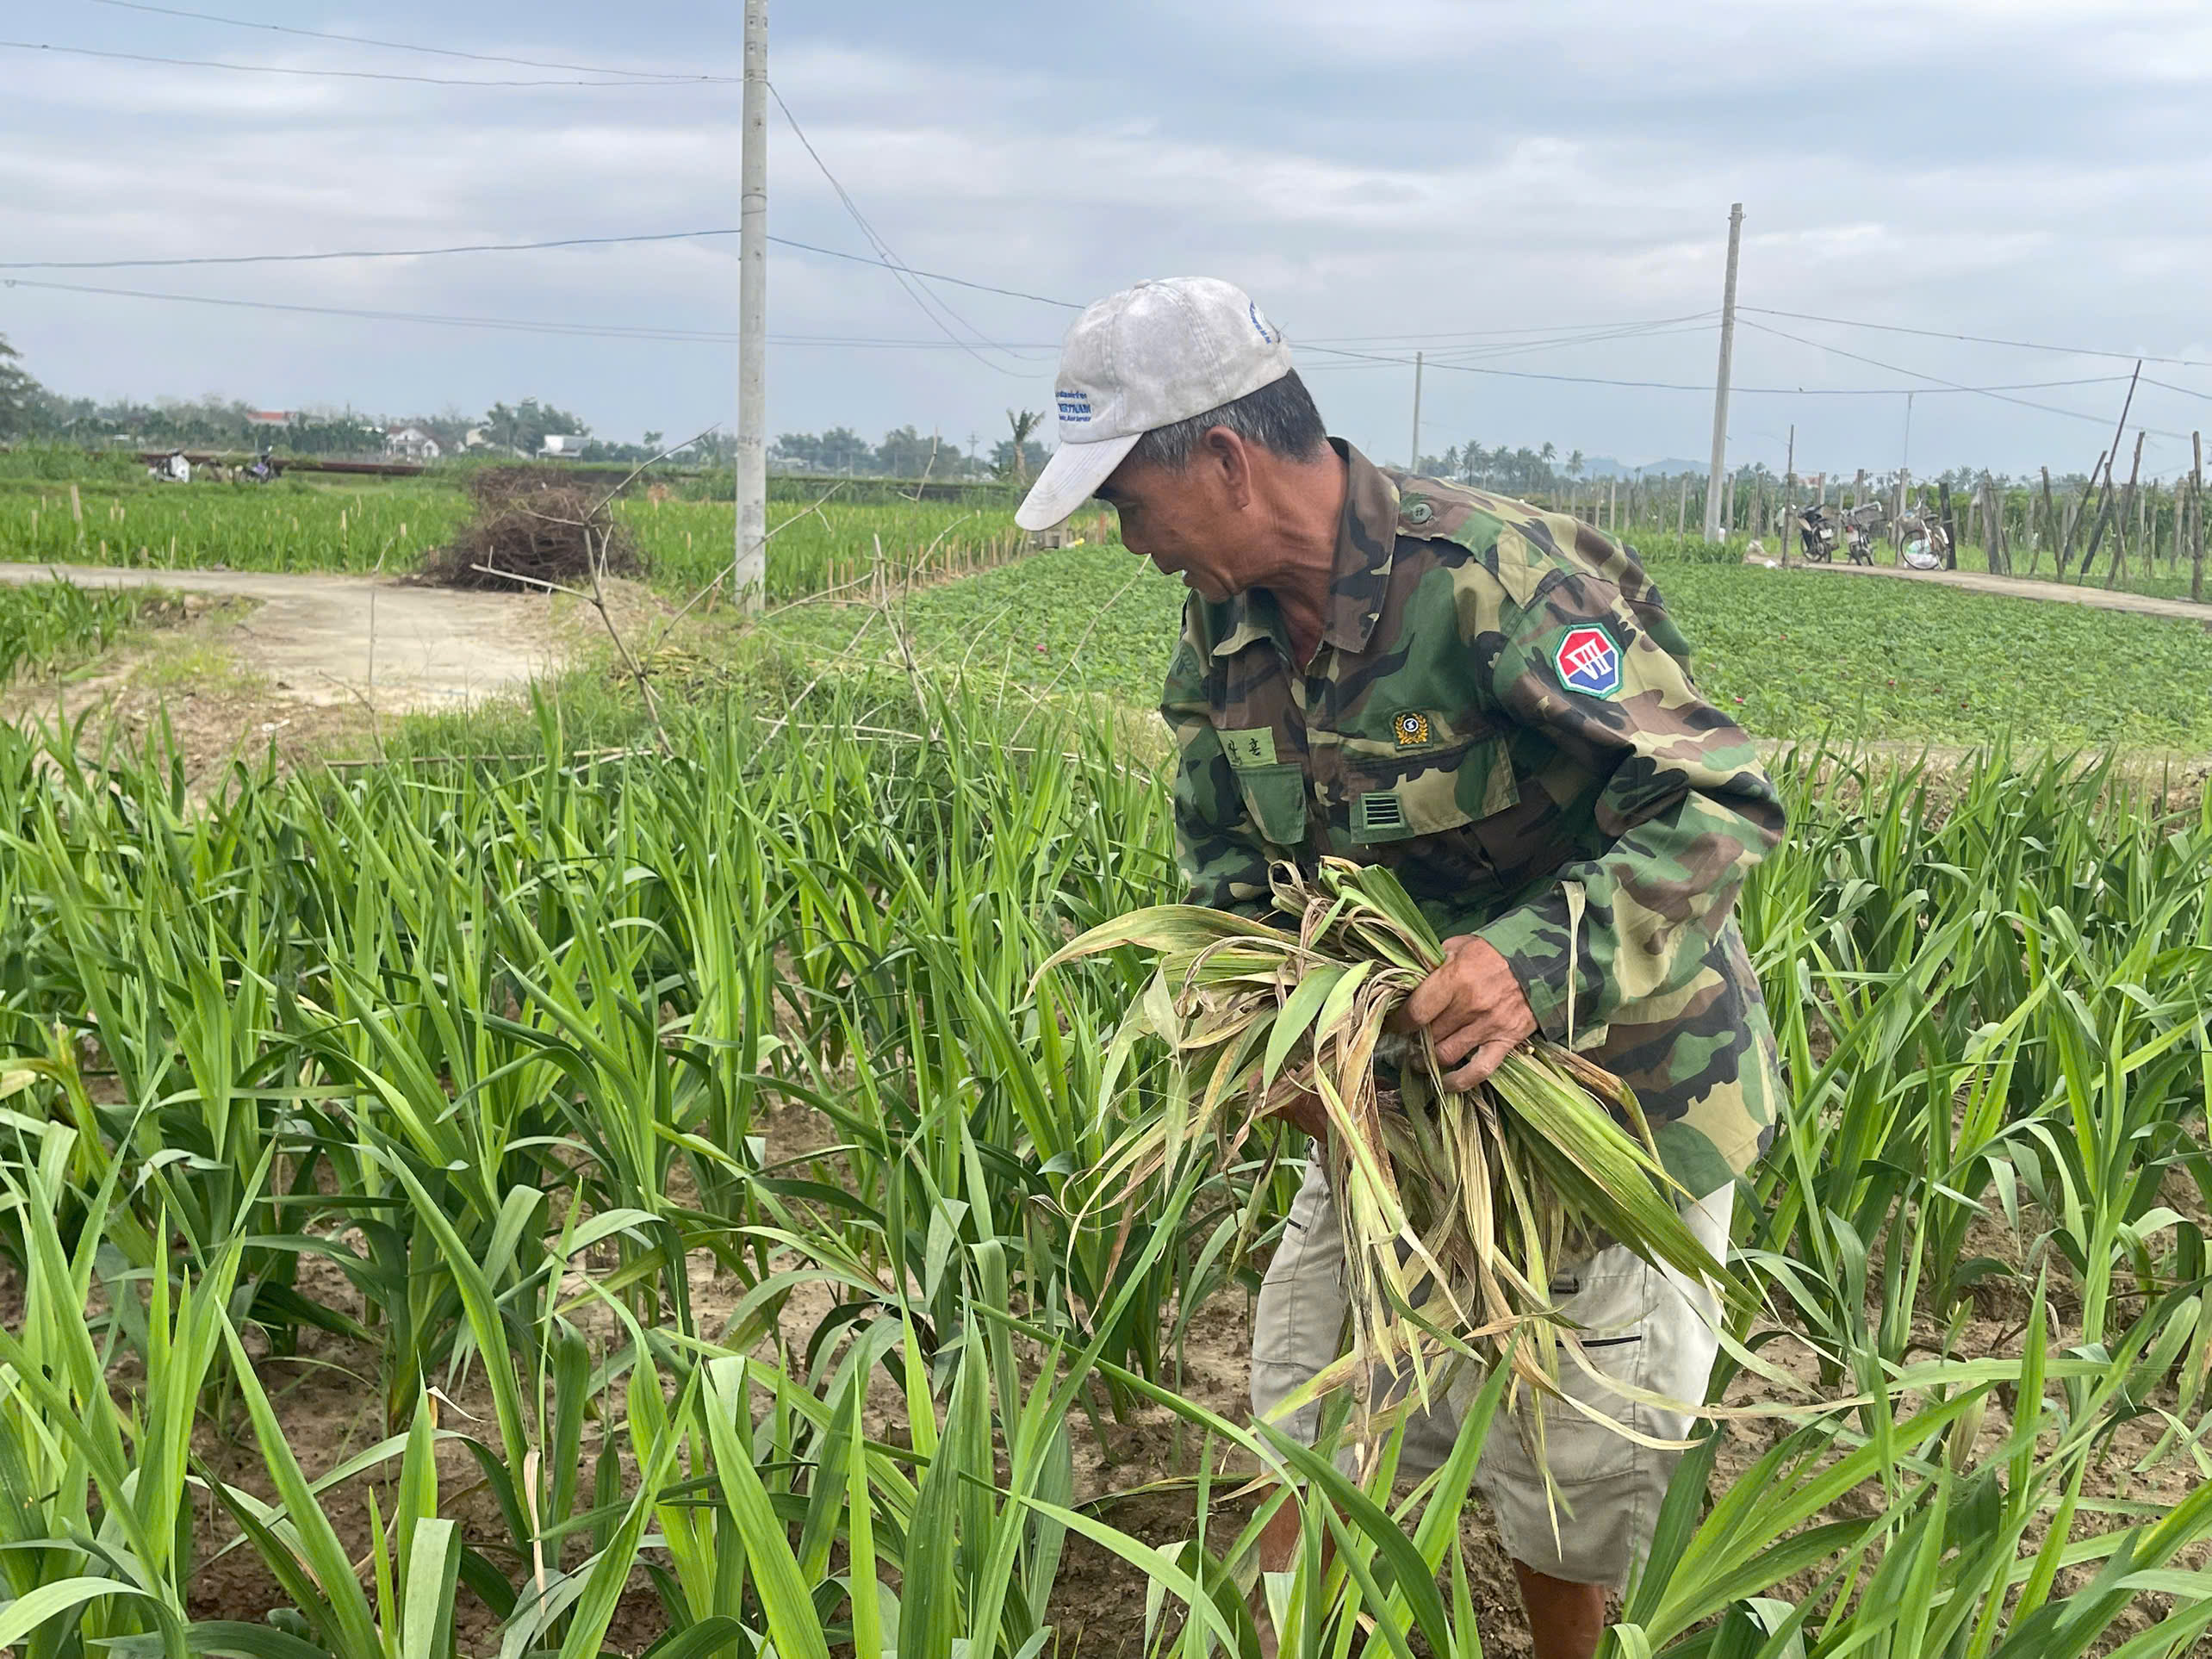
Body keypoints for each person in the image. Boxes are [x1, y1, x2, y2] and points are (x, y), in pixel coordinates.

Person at [1012, 278, 1786, 1659]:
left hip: (1613, 1114)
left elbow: (1719, 801)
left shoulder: (1496, 578)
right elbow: (1226, 884)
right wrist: (1269, 1039)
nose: (1124, 541)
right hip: (1392, 1122)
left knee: (1572, 1491)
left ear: (1226, 460)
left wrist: (1528, 962)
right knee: (1304, 1432)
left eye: (1127, 502)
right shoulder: (1222, 630)